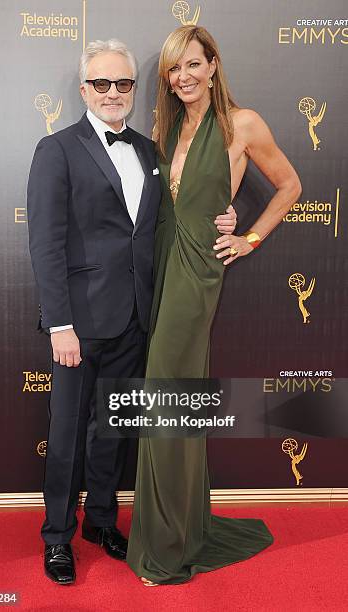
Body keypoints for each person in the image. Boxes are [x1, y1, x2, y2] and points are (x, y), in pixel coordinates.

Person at [27, 38, 237, 585]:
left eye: (124, 83)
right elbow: (45, 245)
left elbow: (184, 209)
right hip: (78, 326)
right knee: (69, 434)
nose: (114, 92)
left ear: (134, 89)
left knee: (114, 433)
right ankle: (57, 537)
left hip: (136, 320)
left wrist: (229, 216)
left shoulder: (149, 150)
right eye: (102, 83)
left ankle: (101, 522)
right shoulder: (58, 150)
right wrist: (60, 324)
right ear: (84, 89)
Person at [126, 25, 302, 586]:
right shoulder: (165, 125)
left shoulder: (243, 124)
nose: (184, 77)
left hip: (198, 269)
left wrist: (247, 237)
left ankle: (168, 544)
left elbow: (290, 185)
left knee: (164, 393)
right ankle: (182, 526)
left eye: (193, 65)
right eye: (174, 69)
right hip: (159, 263)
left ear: (213, 65)